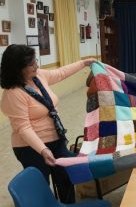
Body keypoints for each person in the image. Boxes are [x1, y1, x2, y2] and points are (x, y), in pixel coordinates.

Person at [0, 44, 96, 203]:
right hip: (30, 147)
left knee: (65, 176)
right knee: (42, 184)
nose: (36, 66)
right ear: (18, 68)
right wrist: (43, 150)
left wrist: (84, 63)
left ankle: (67, 204)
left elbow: (60, 73)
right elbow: (24, 128)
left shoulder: (38, 77)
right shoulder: (13, 93)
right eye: (31, 64)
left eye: (35, 61)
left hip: (55, 139)